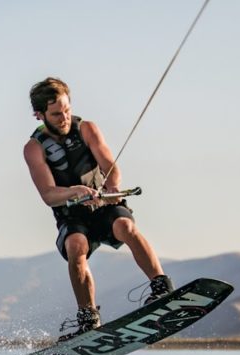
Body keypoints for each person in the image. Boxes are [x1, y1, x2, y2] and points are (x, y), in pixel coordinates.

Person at [23, 77, 174, 340]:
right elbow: (48, 194)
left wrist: (112, 190)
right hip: (71, 213)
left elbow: (111, 167)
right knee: (75, 248)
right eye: (57, 114)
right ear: (39, 114)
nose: (64, 118)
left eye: (67, 110)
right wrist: (76, 192)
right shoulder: (33, 148)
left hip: (104, 204)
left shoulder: (87, 129)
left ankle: (161, 285)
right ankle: (88, 317)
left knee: (125, 226)